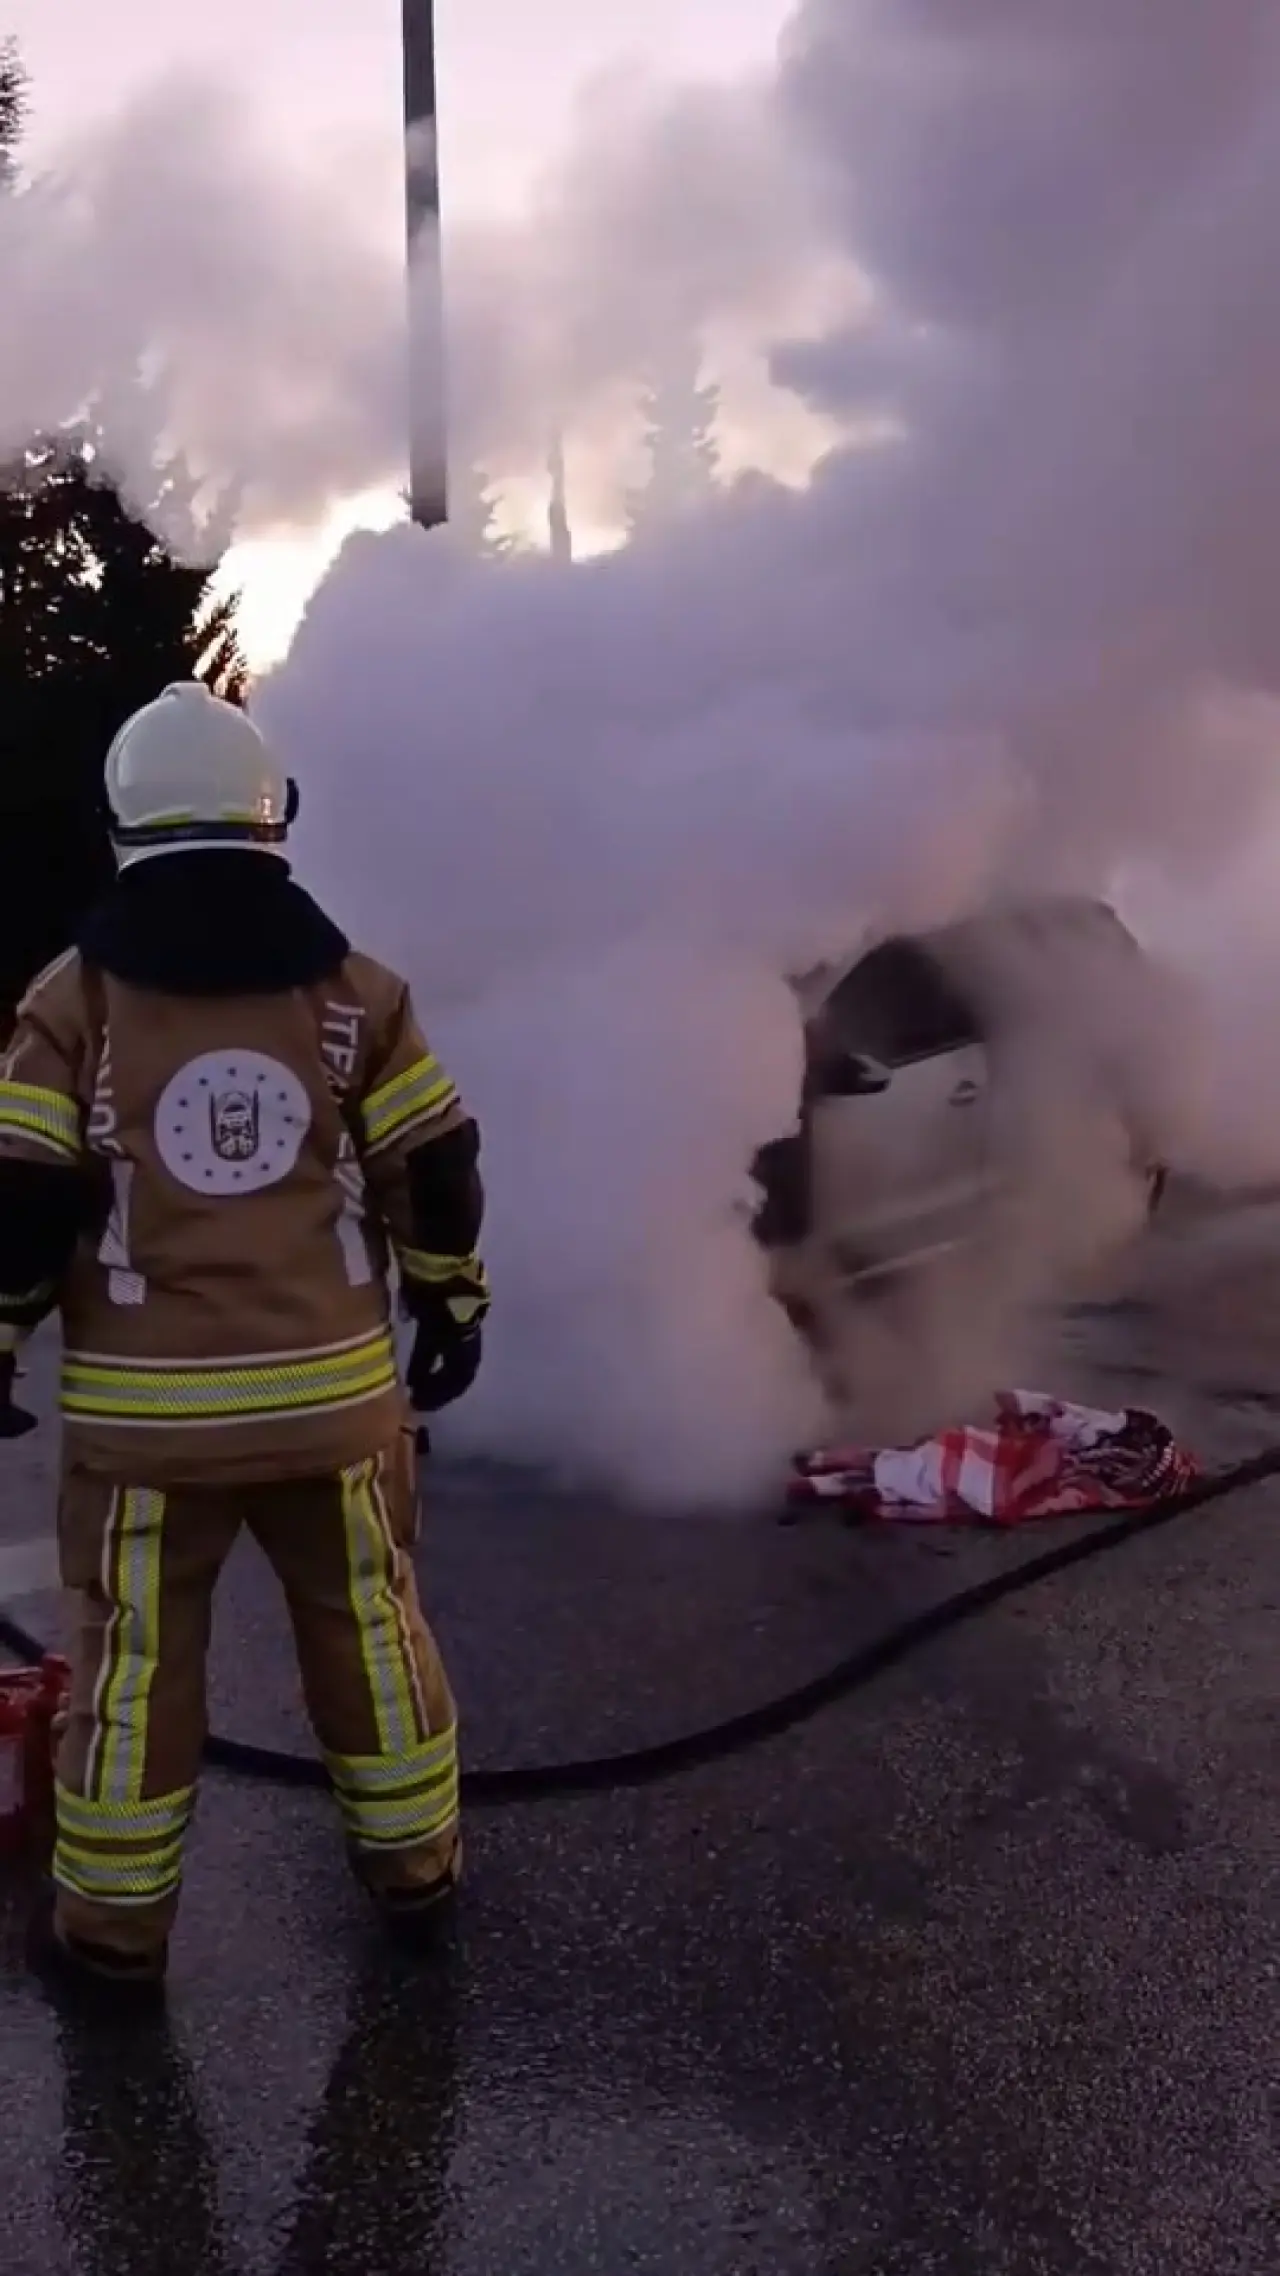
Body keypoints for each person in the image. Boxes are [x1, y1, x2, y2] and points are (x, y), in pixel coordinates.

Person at [0, 681, 488, 1994]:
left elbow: (24, 1203)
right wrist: (451, 1297)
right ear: (275, 820)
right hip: (333, 1408)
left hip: (148, 1430)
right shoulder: (354, 990)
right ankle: (416, 1873)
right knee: (368, 1630)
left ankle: (108, 1939)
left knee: (134, 1664)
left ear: (120, 822)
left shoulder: (71, 1002)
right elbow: (434, 1165)